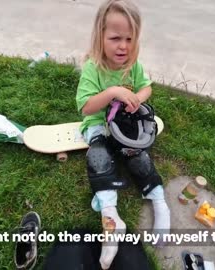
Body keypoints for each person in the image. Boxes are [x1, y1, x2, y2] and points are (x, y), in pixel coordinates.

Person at [75, 0, 170, 268]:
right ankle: (111, 217)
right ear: (100, 36)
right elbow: (85, 107)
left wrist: (137, 98)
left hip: (124, 125)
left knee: (137, 155)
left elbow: (147, 87)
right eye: (115, 38)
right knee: (98, 155)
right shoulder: (94, 68)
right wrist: (113, 92)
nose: (123, 46)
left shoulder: (133, 64)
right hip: (98, 123)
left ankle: (159, 200)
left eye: (129, 38)